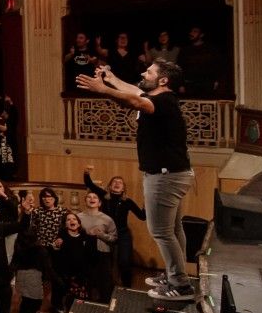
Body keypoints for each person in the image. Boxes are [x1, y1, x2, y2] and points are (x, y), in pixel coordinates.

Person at [77, 60, 195, 300]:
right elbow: (134, 90)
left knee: (161, 231)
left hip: (165, 177)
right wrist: (111, 77)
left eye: (149, 72)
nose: (144, 72)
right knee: (173, 228)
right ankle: (176, 274)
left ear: (163, 81)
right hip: (173, 174)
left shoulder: (162, 102)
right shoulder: (161, 98)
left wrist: (104, 91)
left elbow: (134, 101)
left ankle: (180, 284)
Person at [83, 167, 146, 287]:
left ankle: (127, 287)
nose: (117, 184)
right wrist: (86, 172)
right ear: (109, 186)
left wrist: (146, 205)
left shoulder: (127, 201)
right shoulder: (103, 195)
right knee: (106, 261)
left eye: (120, 183)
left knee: (124, 261)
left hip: (122, 234)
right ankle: (105, 285)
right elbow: (89, 183)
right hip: (106, 233)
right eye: (114, 182)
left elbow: (142, 216)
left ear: (123, 188)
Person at [49, 212, 99, 311]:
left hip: (81, 275)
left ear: (79, 224)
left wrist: (93, 238)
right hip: (65, 275)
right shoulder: (60, 239)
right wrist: (56, 247)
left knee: (80, 304)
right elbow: (55, 260)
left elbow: (92, 256)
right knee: (65, 297)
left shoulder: (86, 237)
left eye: (74, 219)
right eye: (68, 219)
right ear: (65, 224)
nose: (72, 221)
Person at [76, 191, 118, 301]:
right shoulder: (78, 217)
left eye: (95, 197)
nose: (92, 198)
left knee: (105, 282)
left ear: (99, 203)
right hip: (85, 253)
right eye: (89, 197)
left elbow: (114, 238)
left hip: (102, 253)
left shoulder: (107, 219)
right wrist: (86, 235)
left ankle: (105, 305)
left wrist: (100, 234)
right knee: (86, 280)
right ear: (85, 201)